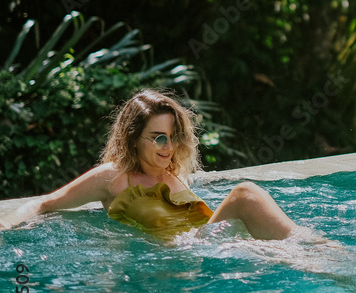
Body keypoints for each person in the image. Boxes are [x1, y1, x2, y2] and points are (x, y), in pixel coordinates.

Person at [3, 89, 299, 240]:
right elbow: (44, 203)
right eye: (158, 138)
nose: (168, 147)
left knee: (301, 256)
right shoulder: (113, 177)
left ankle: (323, 251)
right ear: (133, 139)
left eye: (172, 137)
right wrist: (5, 225)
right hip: (187, 254)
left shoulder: (177, 174)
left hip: (212, 247)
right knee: (245, 193)